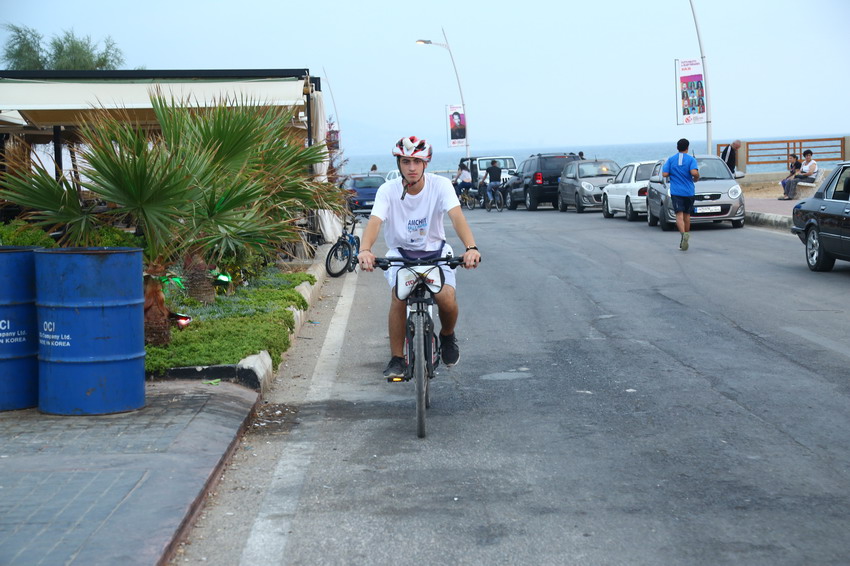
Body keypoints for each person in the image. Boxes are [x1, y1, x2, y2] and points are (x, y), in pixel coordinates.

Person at [357, 136, 481, 379]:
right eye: (406, 161)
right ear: (399, 163)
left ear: (426, 163)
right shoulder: (387, 190)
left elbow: (457, 217)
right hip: (401, 254)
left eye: (417, 161)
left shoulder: (441, 185)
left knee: (446, 298)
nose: (411, 167)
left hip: (436, 253)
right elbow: (375, 222)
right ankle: (397, 358)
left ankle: (447, 335)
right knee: (399, 297)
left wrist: (471, 247)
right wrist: (365, 250)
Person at [662, 138, 700, 251]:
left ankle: (683, 235)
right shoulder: (691, 159)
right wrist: (697, 177)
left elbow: (664, 174)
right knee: (687, 216)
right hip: (689, 191)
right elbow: (694, 172)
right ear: (687, 148)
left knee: (679, 215)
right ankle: (686, 235)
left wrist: (674, 172)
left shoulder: (671, 159)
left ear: (677, 147)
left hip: (676, 191)